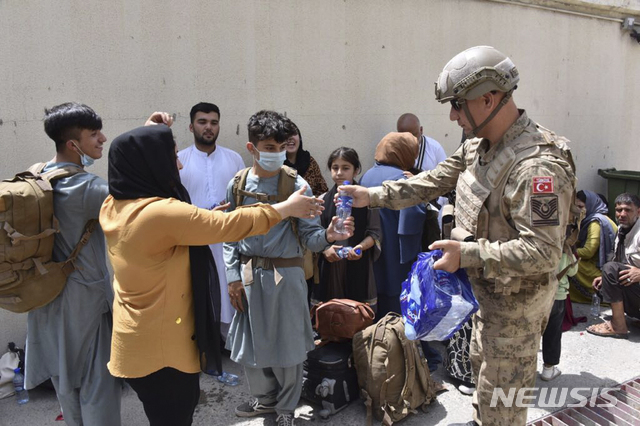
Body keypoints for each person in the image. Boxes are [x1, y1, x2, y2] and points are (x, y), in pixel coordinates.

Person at [338, 46, 577, 426]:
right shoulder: (477, 147)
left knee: (503, 410)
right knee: (484, 393)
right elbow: (430, 182)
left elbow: (543, 252)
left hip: (515, 313)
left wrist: (467, 254)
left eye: (457, 104)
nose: (452, 115)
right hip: (484, 299)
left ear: (488, 99)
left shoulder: (537, 166)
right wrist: (372, 195)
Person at [100, 121, 323, 426]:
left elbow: (193, 225)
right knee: (175, 415)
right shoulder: (161, 213)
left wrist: (148, 132)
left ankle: (282, 403)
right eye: (172, 156)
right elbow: (229, 227)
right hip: (163, 350)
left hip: (134, 342)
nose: (179, 164)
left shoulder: (113, 205)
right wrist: (285, 208)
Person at [224, 110, 352, 426]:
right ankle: (265, 401)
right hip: (249, 274)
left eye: (280, 147)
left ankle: (285, 408)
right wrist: (232, 277)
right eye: (269, 147)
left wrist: (329, 236)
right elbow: (229, 232)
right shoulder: (238, 184)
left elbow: (311, 235)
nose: (276, 154)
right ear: (251, 148)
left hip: (286, 274)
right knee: (252, 345)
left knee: (289, 346)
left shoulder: (298, 185)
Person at [24, 102, 123, 426]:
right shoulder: (85, 188)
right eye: (94, 134)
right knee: (98, 389)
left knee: (66, 383)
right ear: (73, 144)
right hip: (85, 305)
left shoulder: (37, 175)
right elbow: (133, 201)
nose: (103, 139)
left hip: (43, 298)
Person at [178, 102, 245, 344]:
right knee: (198, 291)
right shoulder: (178, 160)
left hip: (227, 238)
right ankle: (203, 344)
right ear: (191, 126)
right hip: (194, 240)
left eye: (214, 123)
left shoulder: (234, 159)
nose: (209, 127)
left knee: (228, 287)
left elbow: (242, 198)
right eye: (202, 122)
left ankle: (229, 343)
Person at [360, 132, 425, 319]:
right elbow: (414, 214)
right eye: (412, 152)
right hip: (397, 248)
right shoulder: (403, 178)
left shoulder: (367, 175)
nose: (414, 157)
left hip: (372, 245)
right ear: (401, 152)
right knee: (399, 298)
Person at [312, 147, 381, 311]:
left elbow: (375, 233)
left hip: (357, 262)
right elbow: (314, 234)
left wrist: (360, 248)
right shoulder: (322, 201)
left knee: (357, 314)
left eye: (346, 168)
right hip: (330, 264)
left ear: (356, 170)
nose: (339, 173)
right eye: (335, 168)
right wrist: (325, 249)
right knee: (330, 313)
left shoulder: (367, 200)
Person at [587, 193, 640, 339]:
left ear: (638, 212)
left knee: (610, 268)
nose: (622, 214)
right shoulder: (621, 230)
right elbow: (619, 262)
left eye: (628, 210)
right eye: (618, 210)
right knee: (605, 277)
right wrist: (605, 278)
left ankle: (618, 326)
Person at [570, 190, 617, 304]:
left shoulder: (595, 222)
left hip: (600, 267)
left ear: (590, 205)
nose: (578, 210)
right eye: (576, 207)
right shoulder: (592, 219)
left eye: (581, 206)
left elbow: (588, 252)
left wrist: (567, 252)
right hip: (602, 264)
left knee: (566, 262)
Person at [541, 250, 578, 381]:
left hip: (536, 298)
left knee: (530, 333)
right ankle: (548, 369)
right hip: (557, 297)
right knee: (553, 333)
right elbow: (573, 271)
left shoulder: (538, 245)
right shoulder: (565, 250)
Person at [282, 117, 328, 196]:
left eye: (293, 134)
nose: (290, 138)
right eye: (285, 135)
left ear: (300, 138)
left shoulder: (310, 161)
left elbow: (322, 190)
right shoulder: (276, 163)